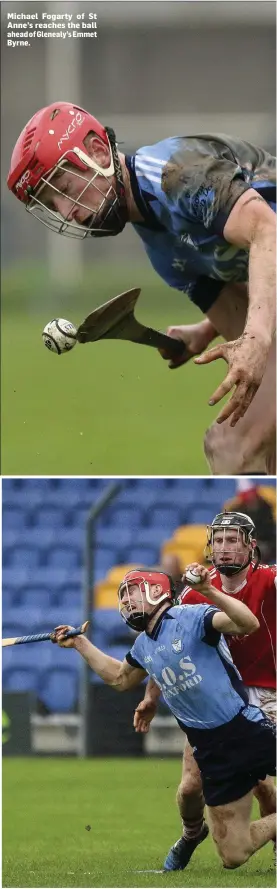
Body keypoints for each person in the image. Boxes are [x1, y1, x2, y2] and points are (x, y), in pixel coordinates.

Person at [7, 102, 276, 474]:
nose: (67, 212)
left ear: (98, 152)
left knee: (231, 445)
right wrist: (209, 329)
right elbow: (240, 315)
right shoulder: (162, 251)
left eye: (66, 190)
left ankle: (251, 532)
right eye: (54, 205)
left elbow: (266, 229)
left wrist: (258, 338)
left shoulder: (175, 173)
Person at [52, 565, 276, 871]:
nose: (125, 600)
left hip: (246, 730)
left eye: (131, 590)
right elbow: (120, 678)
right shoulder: (143, 645)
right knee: (233, 856)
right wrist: (80, 643)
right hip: (212, 754)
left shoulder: (192, 616)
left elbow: (247, 622)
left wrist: (209, 590)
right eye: (122, 595)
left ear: (157, 591)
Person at [134, 511, 276, 871]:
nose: (224, 548)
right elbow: (166, 646)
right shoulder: (192, 596)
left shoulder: (271, 580)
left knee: (260, 781)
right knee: (188, 790)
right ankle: (191, 833)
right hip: (217, 701)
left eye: (233, 540)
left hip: (268, 691)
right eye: (219, 541)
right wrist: (152, 696)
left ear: (250, 546)